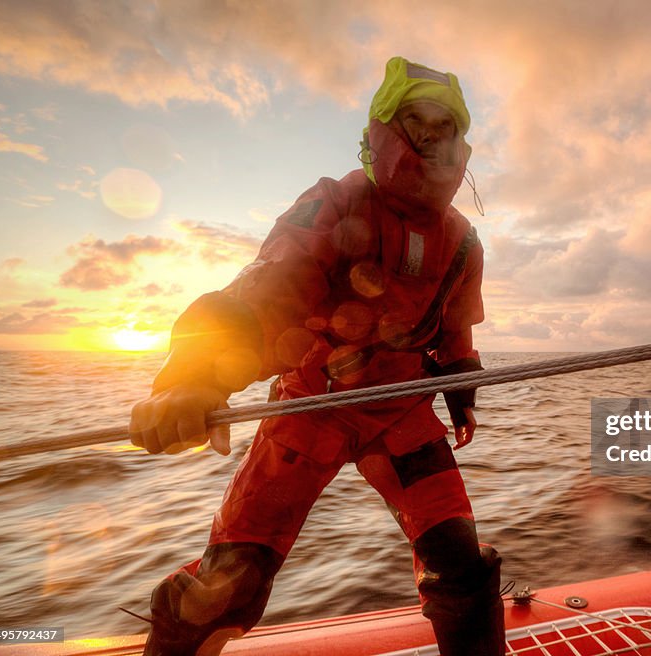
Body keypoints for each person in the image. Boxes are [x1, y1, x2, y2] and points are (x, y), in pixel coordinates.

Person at [129, 56, 505, 656]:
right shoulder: (334, 202)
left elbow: (455, 328)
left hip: (401, 410)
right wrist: (197, 375)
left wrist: (461, 386)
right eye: (416, 123)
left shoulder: (463, 241)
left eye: (446, 128)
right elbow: (270, 289)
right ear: (382, 131)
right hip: (310, 408)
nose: (432, 140)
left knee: (460, 562)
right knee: (232, 580)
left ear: (463, 144)